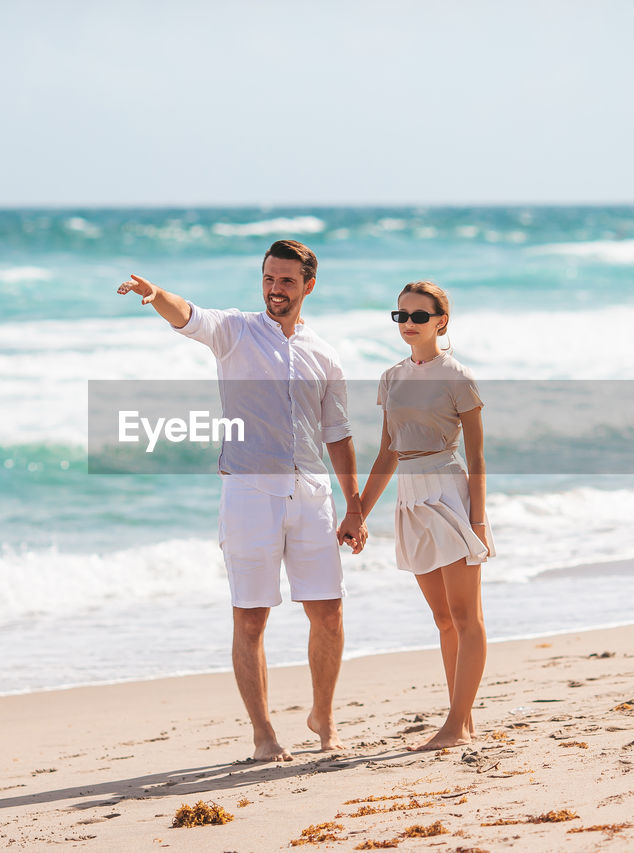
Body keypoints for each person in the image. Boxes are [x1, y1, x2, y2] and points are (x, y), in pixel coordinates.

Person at [117, 239, 367, 762]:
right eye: (269, 279)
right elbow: (189, 316)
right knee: (251, 619)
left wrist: (355, 506)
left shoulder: (324, 353)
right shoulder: (235, 331)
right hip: (249, 493)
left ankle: (324, 717)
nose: (276, 290)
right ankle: (263, 733)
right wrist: (156, 292)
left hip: (312, 494)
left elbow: (338, 433)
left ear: (308, 286)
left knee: (329, 614)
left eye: (287, 281)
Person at [360, 280, 492, 751]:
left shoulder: (458, 377)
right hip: (409, 498)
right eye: (401, 316)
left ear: (441, 320)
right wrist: (357, 513)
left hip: (450, 495)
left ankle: (455, 725)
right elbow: (386, 454)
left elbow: (476, 459)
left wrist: (478, 522)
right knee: (442, 619)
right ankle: (464, 721)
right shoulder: (392, 378)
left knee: (465, 615)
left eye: (419, 316)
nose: (409, 324)